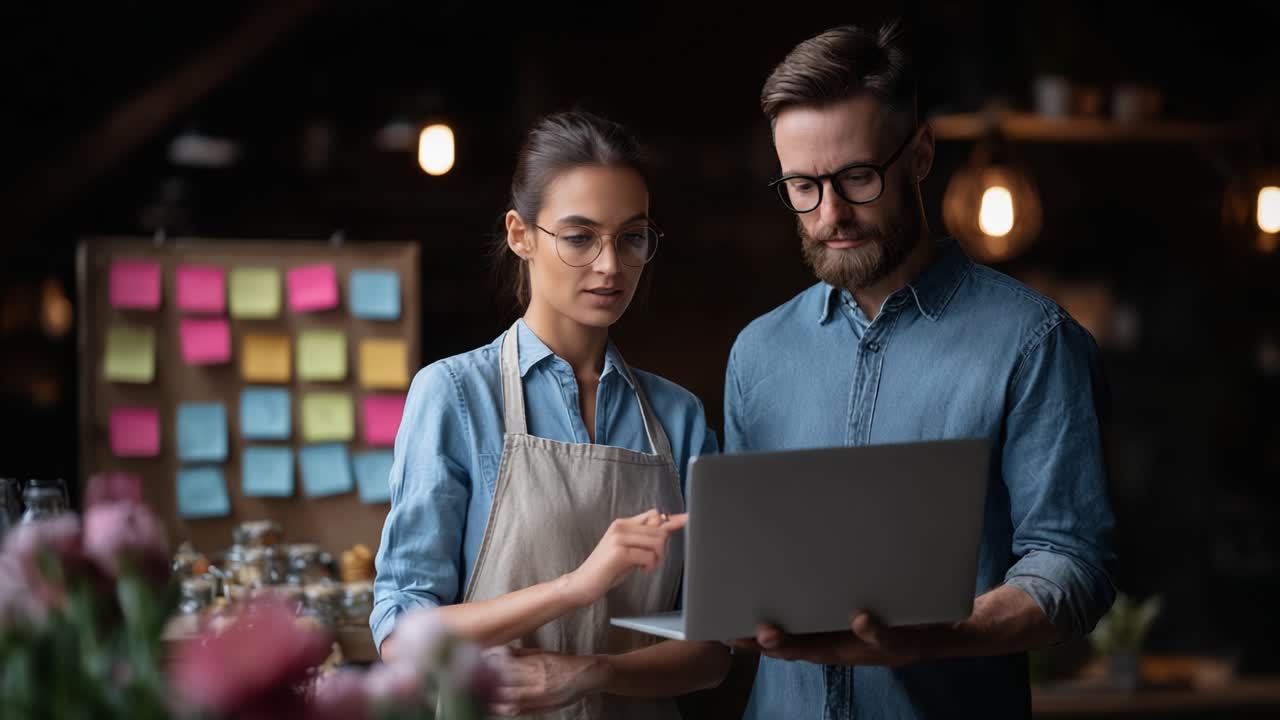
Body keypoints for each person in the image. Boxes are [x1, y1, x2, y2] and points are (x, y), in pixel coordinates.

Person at [725, 22, 1117, 719]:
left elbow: (1074, 567)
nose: (831, 214)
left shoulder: (1033, 343)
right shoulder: (757, 354)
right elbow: (747, 570)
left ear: (921, 155)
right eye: (802, 186)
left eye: (857, 177)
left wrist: (943, 635)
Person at [371, 110, 729, 719]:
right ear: (521, 234)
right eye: (580, 236)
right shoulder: (455, 396)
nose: (611, 266)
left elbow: (713, 651)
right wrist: (576, 587)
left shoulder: (681, 418)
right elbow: (404, 638)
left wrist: (594, 674)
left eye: (632, 236)